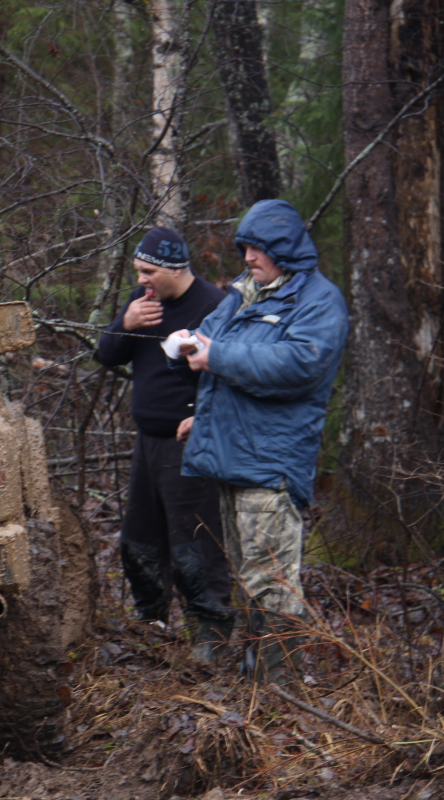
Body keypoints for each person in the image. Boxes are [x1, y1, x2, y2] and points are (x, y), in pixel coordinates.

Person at [172, 199, 348, 683]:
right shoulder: (244, 292)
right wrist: (184, 349)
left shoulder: (319, 301)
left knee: (271, 582)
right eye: (244, 247)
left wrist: (216, 356)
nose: (248, 257)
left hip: (271, 462)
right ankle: (257, 683)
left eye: (258, 248)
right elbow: (211, 340)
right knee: (250, 575)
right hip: (231, 456)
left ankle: (282, 692)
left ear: (284, 249)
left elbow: (299, 366)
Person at [98, 226, 235, 663]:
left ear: (176, 269)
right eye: (138, 271)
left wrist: (207, 419)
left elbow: (232, 376)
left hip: (192, 440)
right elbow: (106, 354)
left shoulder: (214, 305)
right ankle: (150, 625)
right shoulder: (142, 303)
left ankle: (211, 635)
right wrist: (125, 324)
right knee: (139, 538)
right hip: (147, 441)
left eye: (149, 272)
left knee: (195, 542)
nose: (142, 280)